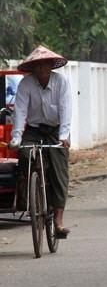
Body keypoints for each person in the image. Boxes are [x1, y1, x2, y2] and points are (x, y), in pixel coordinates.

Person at [10, 45, 72, 239]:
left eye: (46, 64)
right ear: (33, 68)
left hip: (56, 131)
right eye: (38, 65)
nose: (42, 68)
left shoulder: (61, 82)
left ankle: (59, 221)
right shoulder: (26, 84)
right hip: (34, 131)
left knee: (59, 168)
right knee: (25, 155)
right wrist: (17, 137)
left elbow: (66, 110)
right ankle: (29, 198)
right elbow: (20, 111)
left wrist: (63, 137)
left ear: (51, 66)